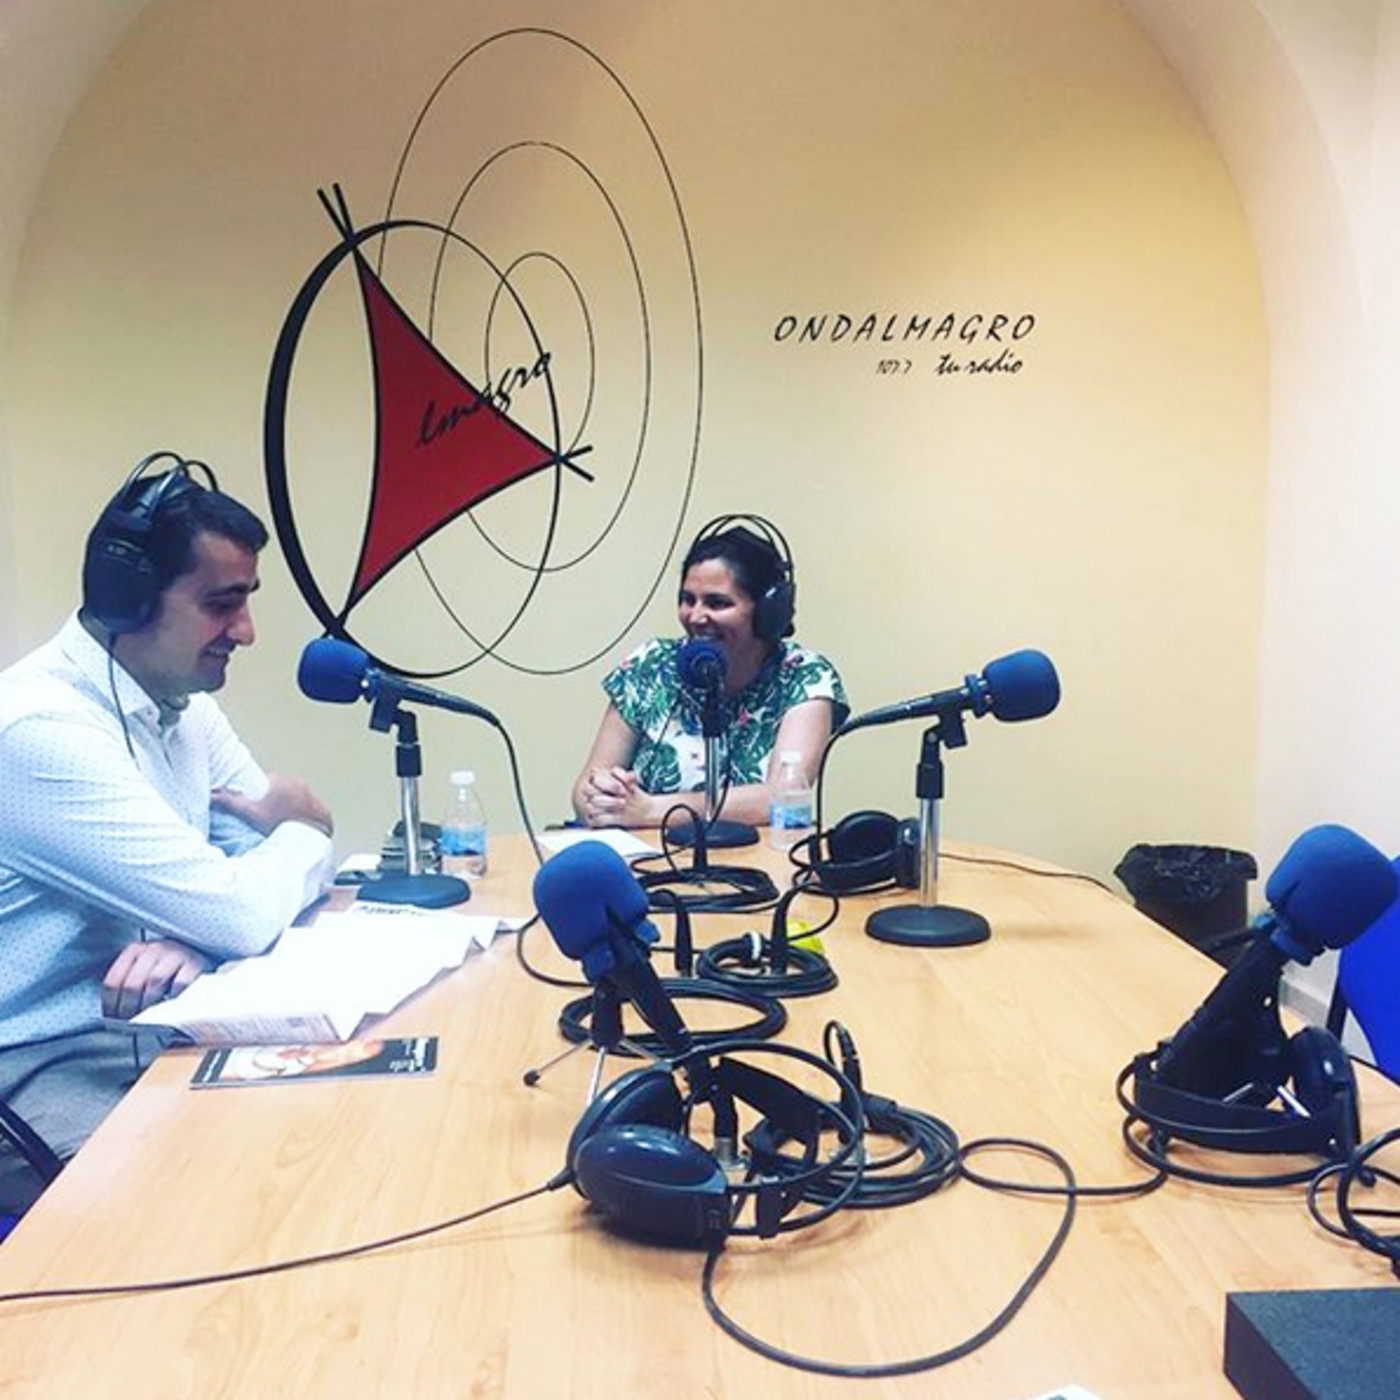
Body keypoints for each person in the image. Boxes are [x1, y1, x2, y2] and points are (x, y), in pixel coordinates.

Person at [0, 453, 336, 1214]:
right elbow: (245, 901)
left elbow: (248, 884)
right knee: (213, 1196)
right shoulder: (35, 729)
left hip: (154, 1025)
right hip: (30, 1064)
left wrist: (198, 938)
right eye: (221, 604)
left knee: (327, 1123)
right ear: (126, 600)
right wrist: (305, 830)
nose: (245, 632)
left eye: (246, 601)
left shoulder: (183, 704)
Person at [572, 516, 848, 829]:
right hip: (644, 854)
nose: (696, 616)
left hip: (755, 858)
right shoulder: (650, 665)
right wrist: (602, 797)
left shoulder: (804, 677)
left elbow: (781, 797)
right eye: (687, 600)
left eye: (717, 603)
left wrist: (650, 810)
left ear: (768, 611)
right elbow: (584, 792)